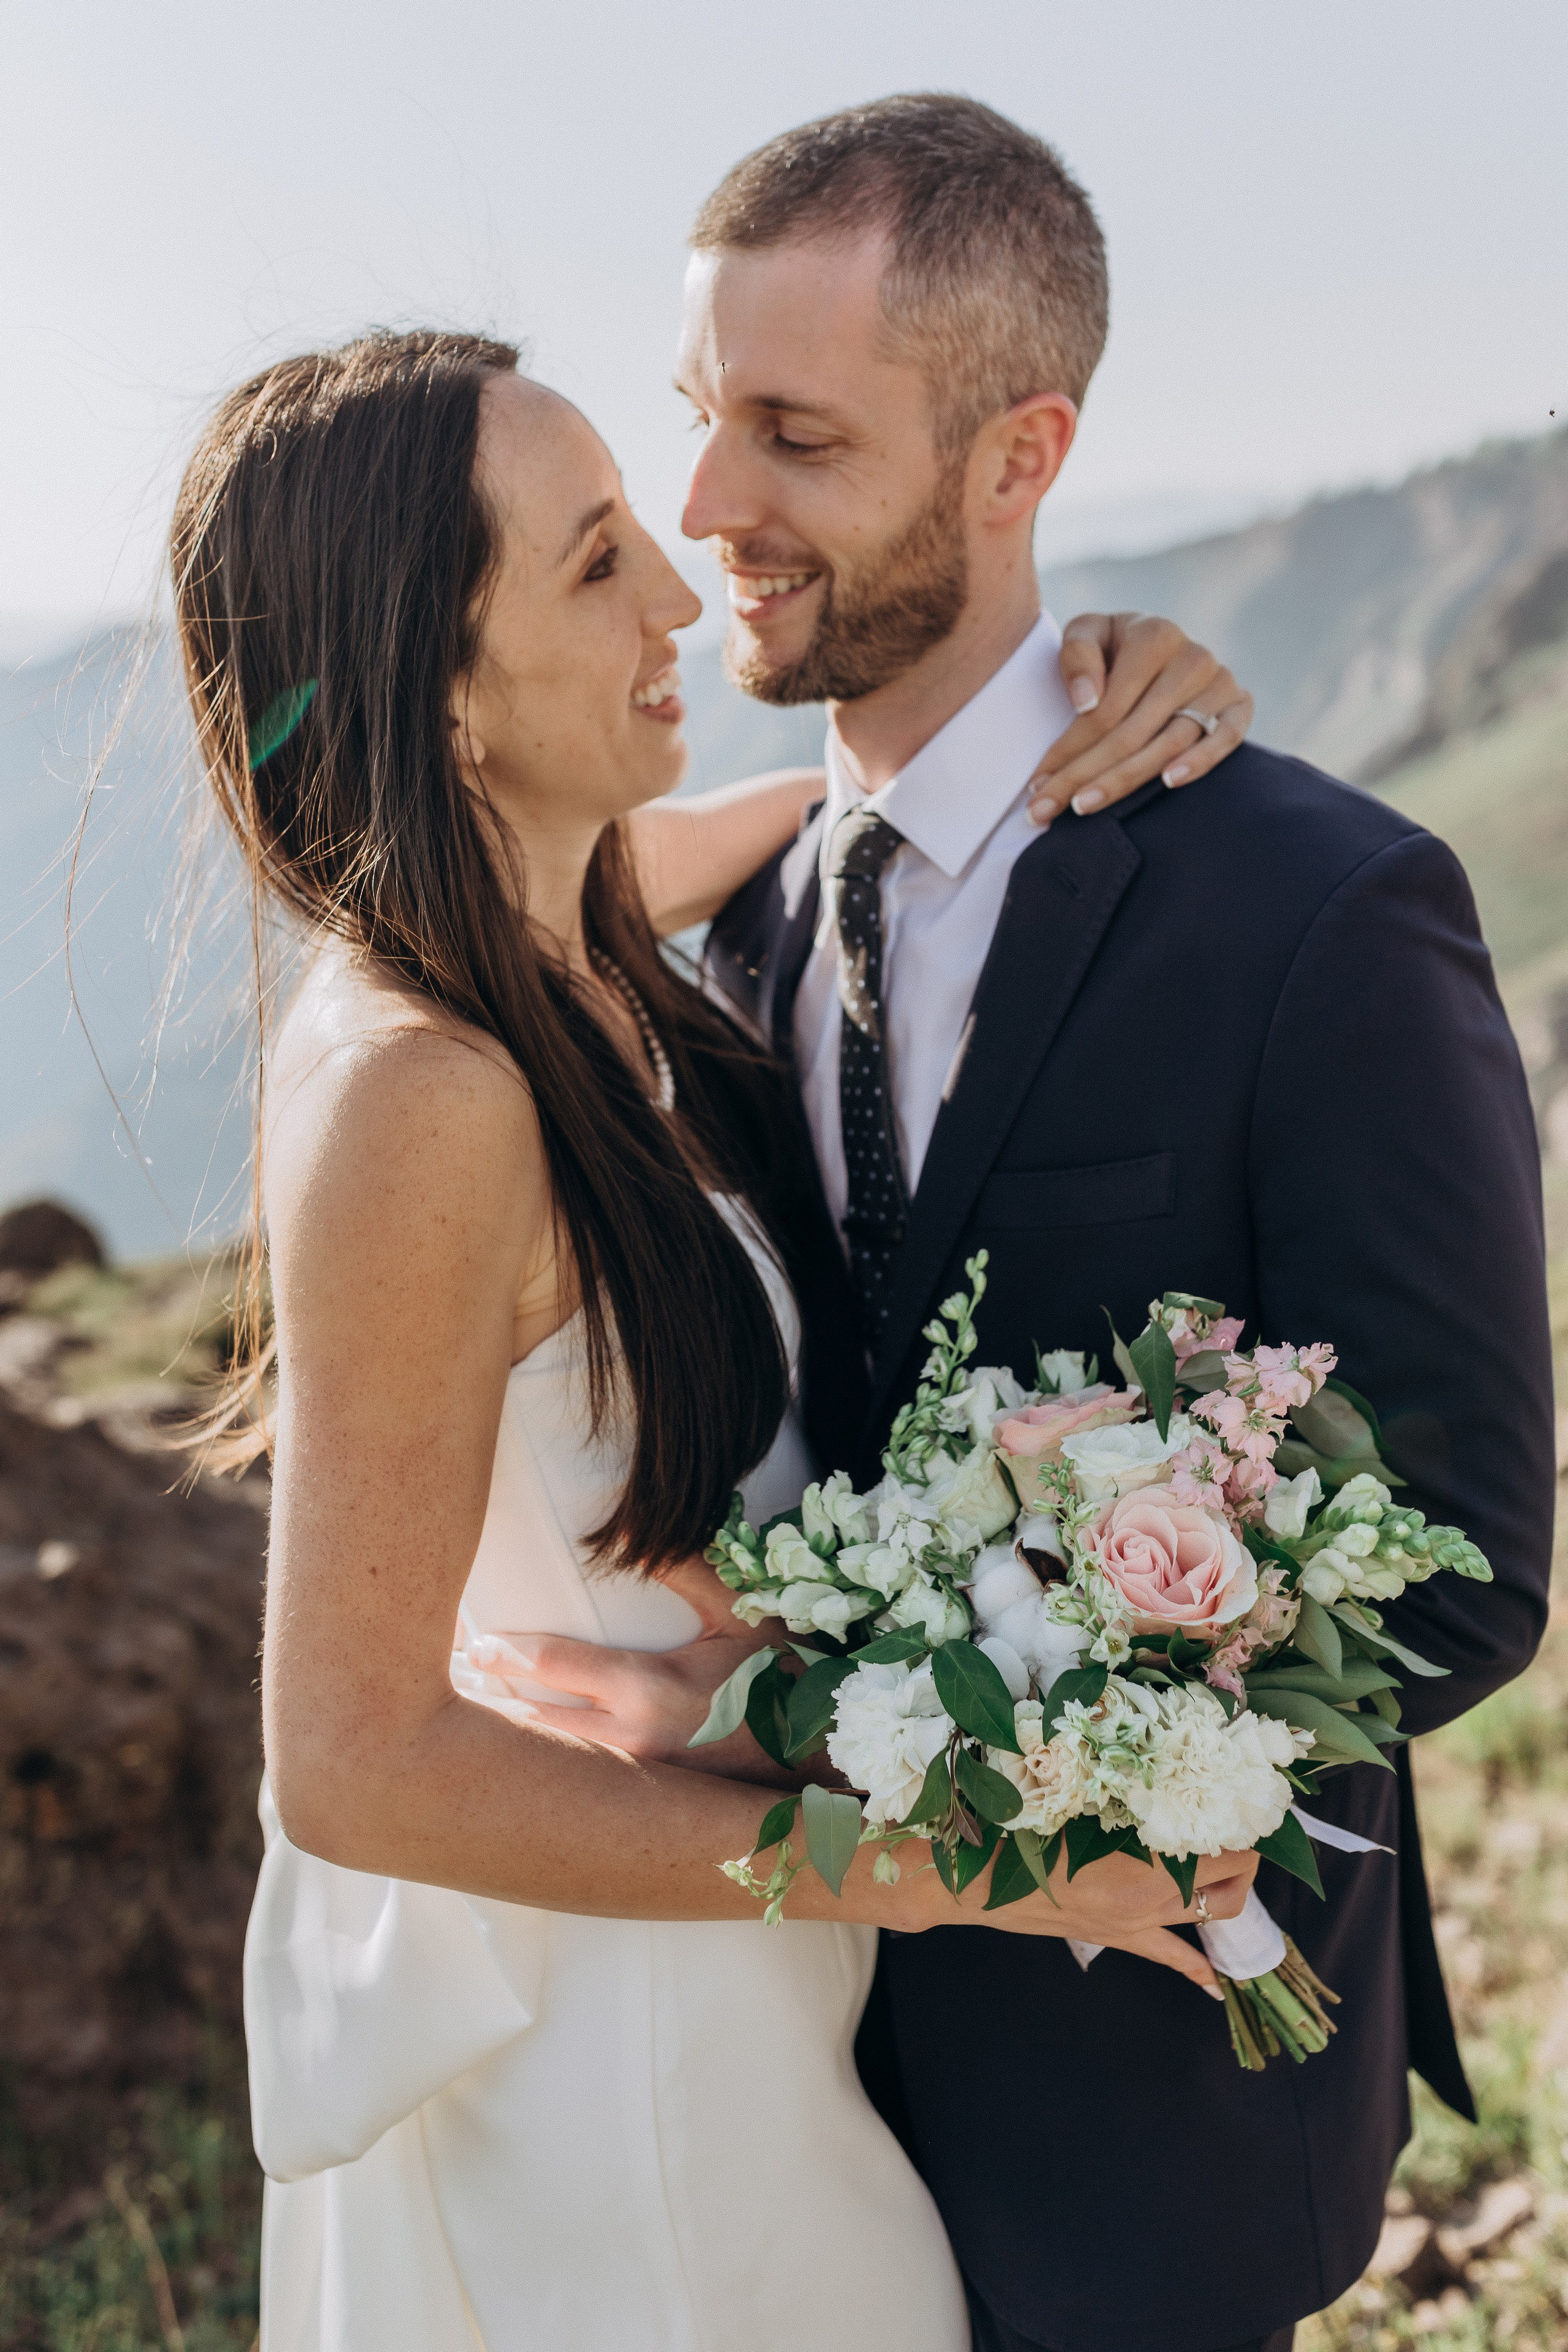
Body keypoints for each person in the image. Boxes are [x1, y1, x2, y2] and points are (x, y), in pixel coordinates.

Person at [520, 95, 1558, 2352]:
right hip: (766, 2078)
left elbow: (1465, 1557)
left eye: (794, 435)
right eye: (705, 421)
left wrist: (955, 1749)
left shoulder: (1324, 911)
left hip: (1151, 2107)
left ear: (1021, 456)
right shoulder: (742, 930)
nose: (709, 514)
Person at [172, 327, 1259, 2349]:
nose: (682, 586)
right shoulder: (426, 1089)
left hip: (717, 1992)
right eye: (594, 565)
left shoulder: (552, 935)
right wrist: (978, 1868)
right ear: (440, 685)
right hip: (614, 2074)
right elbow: (349, 1764)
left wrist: (1093, 683)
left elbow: (803, 816)